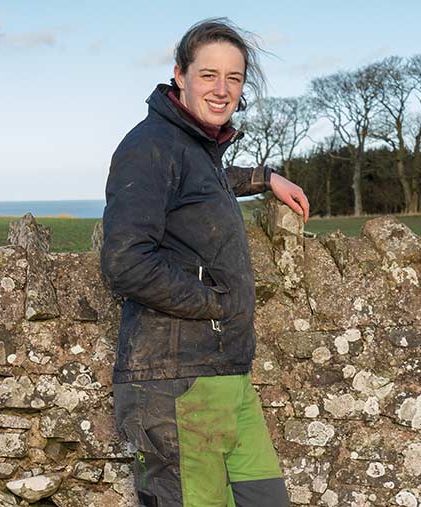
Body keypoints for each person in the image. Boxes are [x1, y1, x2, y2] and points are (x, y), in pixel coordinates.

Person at [100, 18, 309, 507]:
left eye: (233, 78)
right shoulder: (148, 146)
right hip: (175, 384)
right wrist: (214, 303)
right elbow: (124, 262)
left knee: (267, 500)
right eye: (208, 74)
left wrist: (263, 176)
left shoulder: (197, 148)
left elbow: (201, 183)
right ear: (180, 74)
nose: (222, 89)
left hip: (227, 376)